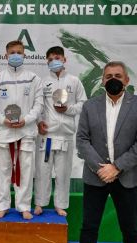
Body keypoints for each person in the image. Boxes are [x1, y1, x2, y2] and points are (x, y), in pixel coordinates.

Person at [72, 61, 137, 243]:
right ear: (102, 80)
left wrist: (116, 167)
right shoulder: (89, 106)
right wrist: (102, 168)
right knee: (89, 228)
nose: (113, 79)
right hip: (95, 176)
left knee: (130, 229)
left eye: (118, 75)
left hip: (126, 176)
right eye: (108, 76)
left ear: (126, 80)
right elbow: (82, 141)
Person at [0, 40, 43, 220]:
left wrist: (26, 120)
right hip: (5, 132)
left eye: (19, 52)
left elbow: (38, 104)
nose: (16, 55)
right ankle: (2, 205)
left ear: (24, 55)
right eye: (12, 52)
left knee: (26, 170)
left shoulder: (34, 79)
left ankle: (24, 206)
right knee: (2, 171)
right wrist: (3, 120)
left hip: (26, 132)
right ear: (6, 55)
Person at [34, 46, 87, 217]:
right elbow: (36, 106)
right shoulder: (42, 82)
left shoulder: (74, 81)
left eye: (57, 58)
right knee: (43, 170)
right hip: (48, 136)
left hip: (65, 135)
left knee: (63, 172)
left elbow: (83, 103)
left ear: (64, 59)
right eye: (50, 59)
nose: (53, 61)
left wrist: (68, 109)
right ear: (46, 62)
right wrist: (39, 122)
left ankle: (60, 204)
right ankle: (40, 203)